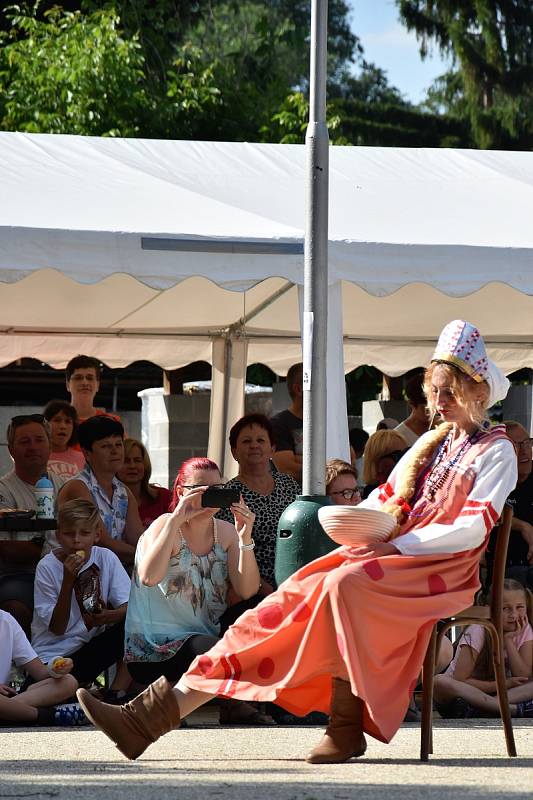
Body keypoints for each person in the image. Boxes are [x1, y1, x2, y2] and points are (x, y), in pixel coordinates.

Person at [76, 318, 517, 766]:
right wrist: (348, 519)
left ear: (477, 391)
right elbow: (384, 501)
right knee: (283, 601)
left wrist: (396, 547)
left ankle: (345, 727)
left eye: (449, 392)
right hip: (388, 558)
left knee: (341, 586)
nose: (439, 403)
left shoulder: (496, 450)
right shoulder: (433, 444)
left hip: (441, 570)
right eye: (435, 392)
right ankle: (150, 718)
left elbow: (472, 528)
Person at [122, 457, 273, 725]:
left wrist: (245, 537)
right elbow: (148, 577)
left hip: (203, 635)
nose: (210, 497)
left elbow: (247, 590)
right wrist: (176, 519)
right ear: (181, 492)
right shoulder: (165, 525)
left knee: (260, 609)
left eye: (218, 489)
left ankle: (229, 702)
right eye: (201, 490)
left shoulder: (225, 533)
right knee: (215, 650)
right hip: (156, 647)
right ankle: (231, 703)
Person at [31, 499, 131, 696]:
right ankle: (77, 692)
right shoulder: (47, 567)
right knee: (55, 685)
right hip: (52, 659)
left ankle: (116, 693)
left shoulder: (106, 558)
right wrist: (68, 581)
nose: (76, 540)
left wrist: (109, 615)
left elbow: (130, 606)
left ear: (97, 535)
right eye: (69, 534)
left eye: (84, 533)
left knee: (137, 625)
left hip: (88, 650)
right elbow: (57, 628)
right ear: (58, 536)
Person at [216, 414, 300, 593]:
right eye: (246, 441)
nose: (254, 445)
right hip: (250, 590)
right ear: (234, 451)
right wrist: (264, 589)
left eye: (261, 440)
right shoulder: (229, 494)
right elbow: (227, 552)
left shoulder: (290, 485)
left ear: (272, 449)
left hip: (295, 582)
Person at [0, 414, 68, 634]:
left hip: (66, 571)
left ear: (50, 446)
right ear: (11, 450)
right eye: (24, 441)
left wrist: (37, 546)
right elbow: (7, 549)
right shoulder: (4, 490)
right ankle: (22, 665)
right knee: (15, 607)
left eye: (39, 440)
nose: (33, 447)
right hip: (21, 576)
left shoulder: (67, 486)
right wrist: (43, 546)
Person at [434, 579, 533, 718]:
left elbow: (523, 676)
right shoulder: (478, 630)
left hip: (503, 695)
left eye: (520, 607)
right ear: (489, 610)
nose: (514, 615)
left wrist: (509, 641)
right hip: (465, 694)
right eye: (505, 608)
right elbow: (460, 680)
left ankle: (491, 707)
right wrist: (502, 684)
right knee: (439, 681)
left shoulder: (524, 629)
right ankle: (509, 710)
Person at [58, 416, 144, 565]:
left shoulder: (124, 492)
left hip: (111, 571)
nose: (115, 451)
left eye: (118, 444)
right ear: (87, 453)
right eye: (106, 446)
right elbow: (101, 541)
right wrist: (146, 556)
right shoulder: (78, 487)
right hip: (72, 572)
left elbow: (139, 539)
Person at [0, 608, 82, 726]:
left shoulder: (6, 620)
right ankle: (49, 716)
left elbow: (40, 672)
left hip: (5, 699)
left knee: (68, 682)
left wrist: (57, 668)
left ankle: (10, 712)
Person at [485, 421, 533, 590]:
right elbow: (484, 511)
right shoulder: (491, 480)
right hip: (505, 572)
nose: (525, 450)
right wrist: (522, 526)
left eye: (528, 442)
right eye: (517, 445)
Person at [117, 438, 171, 528]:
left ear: (145, 464)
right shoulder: (108, 502)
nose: (132, 466)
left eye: (137, 460)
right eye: (126, 461)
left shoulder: (164, 498)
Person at [270, 363, 303, 482]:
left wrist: (299, 459)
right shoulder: (278, 424)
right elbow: (288, 470)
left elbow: (347, 462)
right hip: (293, 499)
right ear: (299, 389)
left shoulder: (331, 424)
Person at [66, 355, 120, 425]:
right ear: (67, 385)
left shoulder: (111, 422)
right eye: (78, 378)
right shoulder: (55, 421)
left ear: (97, 385)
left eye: (90, 378)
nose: (84, 382)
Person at [361, 429, 409, 499]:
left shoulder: (408, 485)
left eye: (406, 453)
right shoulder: (373, 496)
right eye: (398, 455)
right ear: (378, 463)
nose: (403, 459)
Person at [44, 400, 85, 479]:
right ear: (45, 425)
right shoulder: (36, 457)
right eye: (57, 420)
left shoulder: (84, 460)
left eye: (68, 421)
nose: (63, 426)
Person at [395, 371, 430, 446]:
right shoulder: (398, 437)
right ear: (411, 403)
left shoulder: (443, 429)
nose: (432, 412)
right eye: (425, 408)